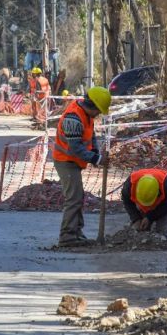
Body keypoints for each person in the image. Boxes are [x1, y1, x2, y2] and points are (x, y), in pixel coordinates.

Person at [52, 86, 111, 248]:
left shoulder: (86, 115)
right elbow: (75, 148)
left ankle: (76, 232)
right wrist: (97, 159)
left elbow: (90, 136)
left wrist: (96, 155)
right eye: (98, 110)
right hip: (65, 160)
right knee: (74, 198)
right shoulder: (74, 118)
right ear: (93, 106)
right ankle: (67, 236)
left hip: (73, 161)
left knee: (78, 197)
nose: (99, 114)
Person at [121, 169, 167, 237]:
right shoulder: (129, 185)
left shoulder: (166, 185)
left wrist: (149, 217)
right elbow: (127, 202)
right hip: (141, 204)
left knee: (164, 231)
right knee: (138, 228)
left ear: (158, 193)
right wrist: (136, 218)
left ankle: (165, 240)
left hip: (165, 203)